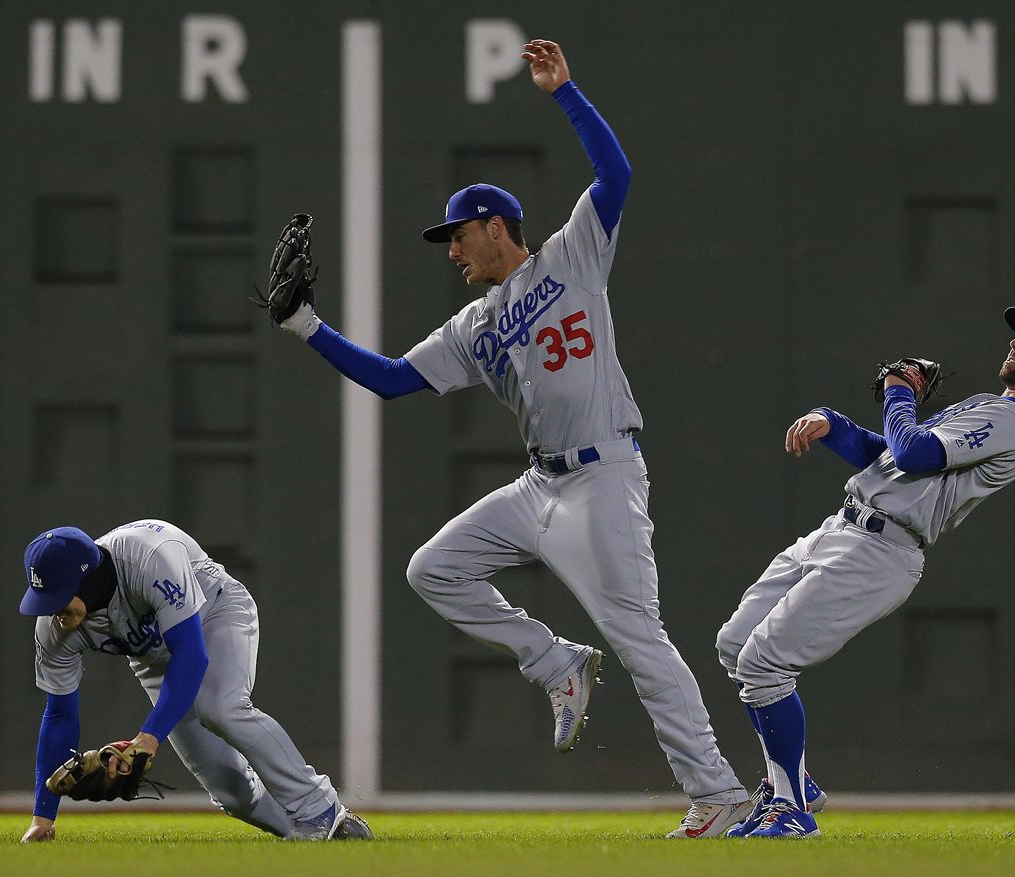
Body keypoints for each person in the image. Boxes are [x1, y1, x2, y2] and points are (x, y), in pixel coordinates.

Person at [273, 38, 750, 837]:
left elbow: (616, 178)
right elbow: (394, 378)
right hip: (540, 486)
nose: (451, 249)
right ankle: (555, 661)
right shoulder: (473, 324)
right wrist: (307, 326)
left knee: (638, 635)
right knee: (435, 568)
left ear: (496, 227)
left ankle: (720, 793)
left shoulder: (573, 257)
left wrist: (565, 93)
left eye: (458, 235)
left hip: (603, 472)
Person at [716, 306, 1015, 838]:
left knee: (764, 662)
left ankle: (792, 808)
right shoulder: (989, 404)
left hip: (881, 550)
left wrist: (899, 391)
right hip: (840, 528)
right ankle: (792, 782)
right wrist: (836, 427)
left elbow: (913, 454)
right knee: (734, 645)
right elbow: (891, 456)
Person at [18, 519, 372, 843]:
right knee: (229, 789)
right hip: (154, 659)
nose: (50, 610)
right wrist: (42, 818)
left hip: (213, 615)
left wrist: (148, 737)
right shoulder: (54, 627)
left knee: (221, 707)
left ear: (88, 578)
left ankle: (319, 811)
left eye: (57, 596)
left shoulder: (148, 556)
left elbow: (191, 654)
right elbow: (60, 715)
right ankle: (322, 835)